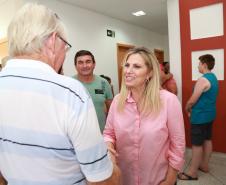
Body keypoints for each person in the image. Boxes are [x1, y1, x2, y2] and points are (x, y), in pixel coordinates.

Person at [0, 3, 121, 185]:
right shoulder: (70, 91)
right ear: (52, 41)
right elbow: (103, 181)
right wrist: (109, 158)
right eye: (66, 46)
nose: (65, 53)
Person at [103, 47, 185, 185]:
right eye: (127, 65)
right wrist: (108, 147)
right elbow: (109, 133)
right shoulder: (118, 101)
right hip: (124, 178)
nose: (128, 71)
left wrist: (170, 179)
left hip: (158, 179)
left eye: (136, 66)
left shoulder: (168, 101)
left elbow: (178, 144)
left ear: (150, 73)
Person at [178, 54, 219, 181]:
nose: (198, 66)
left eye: (199, 63)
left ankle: (192, 173)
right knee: (207, 139)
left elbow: (192, 100)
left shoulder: (203, 80)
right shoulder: (213, 77)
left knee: (196, 145)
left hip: (200, 117)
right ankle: (205, 166)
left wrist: (186, 107)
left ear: (204, 65)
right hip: (210, 115)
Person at [73, 50, 113, 132]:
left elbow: (111, 111)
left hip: (101, 134)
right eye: (80, 62)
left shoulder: (104, 83)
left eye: (88, 62)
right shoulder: (70, 83)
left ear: (94, 64)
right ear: (75, 66)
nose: (84, 66)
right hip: (76, 136)